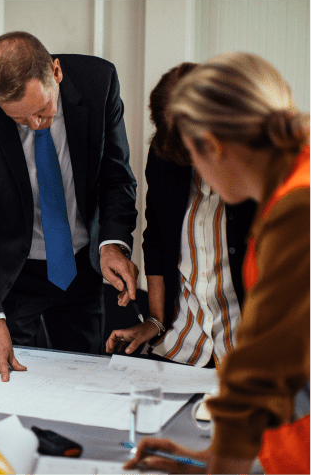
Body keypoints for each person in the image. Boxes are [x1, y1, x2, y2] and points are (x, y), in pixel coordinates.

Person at [125, 52, 310, 474]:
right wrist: (215, 461)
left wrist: (222, 467)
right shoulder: (288, 188)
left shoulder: (298, 207)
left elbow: (262, 367)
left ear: (213, 147)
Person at [0, 31, 138, 382]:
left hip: (81, 267)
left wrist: (112, 243)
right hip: (16, 274)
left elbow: (116, 177)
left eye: (43, 109)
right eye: (20, 119)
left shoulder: (98, 83)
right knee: (13, 383)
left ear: (56, 72)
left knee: (82, 379)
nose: (36, 124)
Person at [105, 62, 256, 367]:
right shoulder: (164, 157)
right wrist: (156, 321)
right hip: (182, 346)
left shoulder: (265, 173)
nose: (200, 169)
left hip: (251, 354)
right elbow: (157, 239)